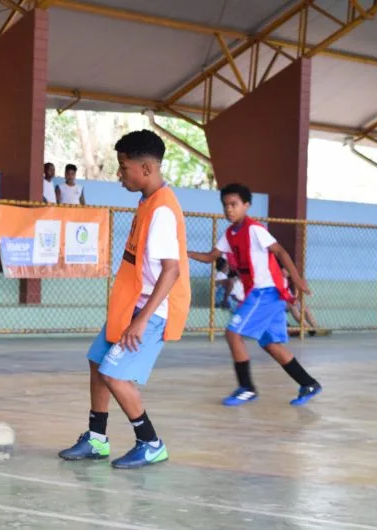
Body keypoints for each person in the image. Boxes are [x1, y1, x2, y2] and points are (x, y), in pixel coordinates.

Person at [58, 130, 191, 469]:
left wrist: (142, 319)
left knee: (114, 373)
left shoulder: (162, 209)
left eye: (123, 167)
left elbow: (171, 271)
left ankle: (151, 443)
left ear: (145, 168)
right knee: (96, 360)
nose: (119, 175)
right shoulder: (147, 202)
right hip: (131, 303)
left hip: (152, 308)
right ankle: (97, 439)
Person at [187, 183, 323, 407]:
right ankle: (308, 383)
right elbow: (212, 256)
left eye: (234, 204)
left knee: (233, 334)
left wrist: (297, 279)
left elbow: (279, 251)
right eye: (225, 205)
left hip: (266, 292)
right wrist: (185, 253)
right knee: (271, 345)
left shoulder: (254, 229)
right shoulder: (230, 233)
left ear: (246, 205)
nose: (229, 209)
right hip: (260, 294)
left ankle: (247, 387)